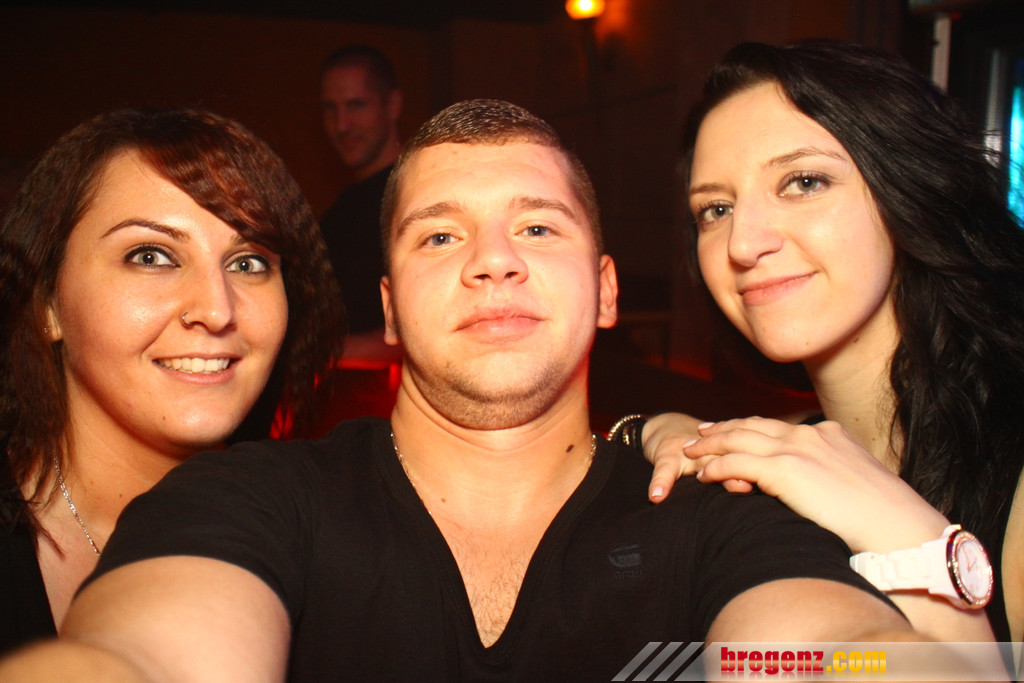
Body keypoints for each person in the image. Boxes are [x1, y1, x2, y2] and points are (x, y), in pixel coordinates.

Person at [0, 99, 920, 681]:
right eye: (441, 236)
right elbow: (142, 656)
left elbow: (840, 656)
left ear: (606, 291)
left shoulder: (726, 515)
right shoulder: (244, 499)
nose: (493, 262)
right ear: (390, 310)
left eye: (538, 228)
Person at [614, 39, 1024, 644]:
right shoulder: (787, 446)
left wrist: (911, 540)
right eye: (716, 209)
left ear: (908, 188)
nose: (742, 244)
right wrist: (657, 428)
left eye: (804, 182)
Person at [0, 107, 344, 654]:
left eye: (249, 263)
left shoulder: (338, 544)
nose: (217, 310)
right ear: (48, 304)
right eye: (151, 256)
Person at [318, 45, 404, 367]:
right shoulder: (341, 212)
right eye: (330, 109)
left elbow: (441, 328)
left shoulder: (415, 196)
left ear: (392, 105)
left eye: (356, 105)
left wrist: (325, 354)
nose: (342, 125)